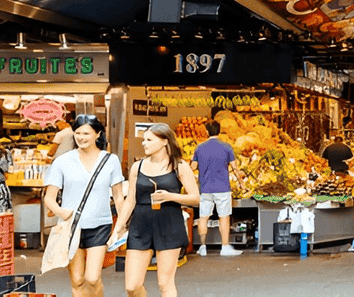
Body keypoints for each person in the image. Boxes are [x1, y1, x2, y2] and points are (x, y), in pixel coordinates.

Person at [110, 124, 200, 297]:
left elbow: (196, 198)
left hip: (169, 223)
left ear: (164, 141)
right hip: (140, 224)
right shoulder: (138, 166)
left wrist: (171, 197)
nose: (144, 143)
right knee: (132, 286)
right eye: (144, 139)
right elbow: (131, 201)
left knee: (164, 284)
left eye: (149, 140)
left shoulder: (179, 166)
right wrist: (119, 228)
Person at [43, 115, 125, 297]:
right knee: (77, 280)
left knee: (93, 278)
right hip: (71, 226)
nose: (81, 137)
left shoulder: (110, 160)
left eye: (86, 133)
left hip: (100, 225)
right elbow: (49, 197)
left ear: (97, 134)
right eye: (77, 133)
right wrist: (60, 212)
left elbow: (119, 196)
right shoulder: (62, 161)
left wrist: (121, 226)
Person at [191, 120, 244, 257]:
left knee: (203, 217)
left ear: (207, 132)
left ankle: (202, 247)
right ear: (219, 131)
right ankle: (225, 247)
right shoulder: (226, 147)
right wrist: (241, 183)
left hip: (205, 188)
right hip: (223, 188)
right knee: (224, 217)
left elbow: (192, 168)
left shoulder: (199, 147)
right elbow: (235, 167)